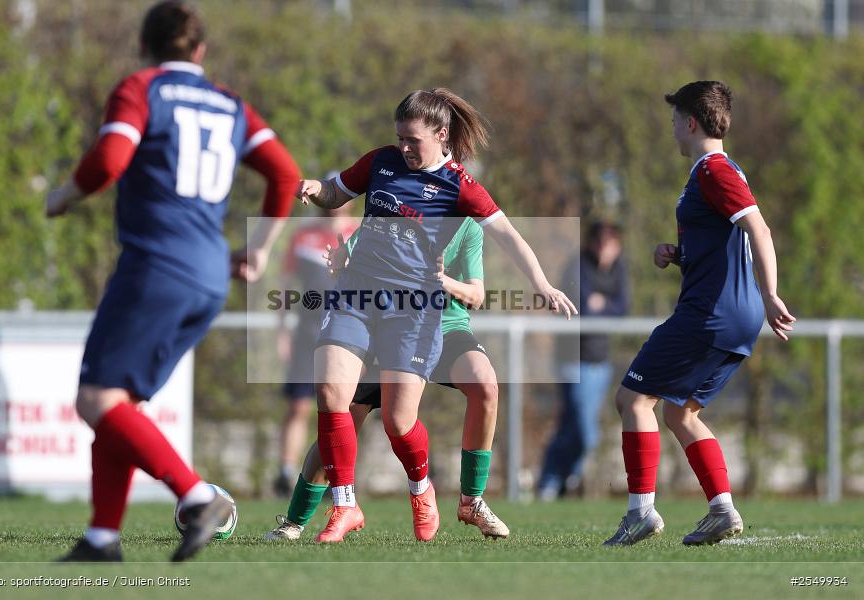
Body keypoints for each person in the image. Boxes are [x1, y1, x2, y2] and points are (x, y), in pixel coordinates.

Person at [45, 0, 300, 562]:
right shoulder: (231, 104)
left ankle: (197, 495)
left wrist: (64, 196)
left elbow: (111, 157)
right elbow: (284, 172)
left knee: (94, 399)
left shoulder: (143, 88)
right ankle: (101, 538)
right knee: (119, 402)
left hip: (158, 264)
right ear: (201, 52)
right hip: (209, 273)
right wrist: (257, 252)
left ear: (145, 46)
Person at [297, 88, 576, 543]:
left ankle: (422, 488)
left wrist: (542, 284)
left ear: (441, 134)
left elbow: (509, 236)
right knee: (331, 393)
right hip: (356, 297)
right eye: (400, 138)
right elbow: (336, 192)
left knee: (398, 422)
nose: (404, 148)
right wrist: (317, 189)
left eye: (413, 140)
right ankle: (344, 506)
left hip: (413, 312)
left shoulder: (460, 185)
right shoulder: (380, 162)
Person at [603, 81, 795, 547]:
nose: (671, 130)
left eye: (674, 121)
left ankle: (640, 512)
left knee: (632, 400)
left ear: (690, 122)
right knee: (681, 412)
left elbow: (758, 229)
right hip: (735, 317)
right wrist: (680, 254)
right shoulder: (720, 173)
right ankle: (721, 510)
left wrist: (771, 292)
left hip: (711, 314)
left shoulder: (714, 170)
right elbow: (726, 242)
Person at [266, 217, 509, 540]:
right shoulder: (393, 205)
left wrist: (440, 279)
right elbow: (350, 260)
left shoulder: (467, 225)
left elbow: (475, 295)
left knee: (485, 385)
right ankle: (295, 521)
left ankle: (471, 501)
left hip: (445, 326)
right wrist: (341, 263)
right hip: (393, 328)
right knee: (343, 416)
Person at [537, 220, 628, 500]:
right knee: (584, 431)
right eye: (600, 242)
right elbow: (583, 307)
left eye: (610, 244)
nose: (605, 249)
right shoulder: (578, 266)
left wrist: (603, 304)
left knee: (572, 426)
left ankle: (555, 483)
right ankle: (556, 480)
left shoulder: (619, 269)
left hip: (600, 361)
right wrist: (599, 304)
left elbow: (623, 307)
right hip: (573, 360)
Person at [274, 199, 357, 497]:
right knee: (299, 406)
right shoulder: (303, 236)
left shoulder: (360, 233)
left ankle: (337, 476)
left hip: (348, 332)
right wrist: (282, 332)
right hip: (307, 333)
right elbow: (284, 287)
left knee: (343, 408)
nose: (334, 205)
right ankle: (285, 473)